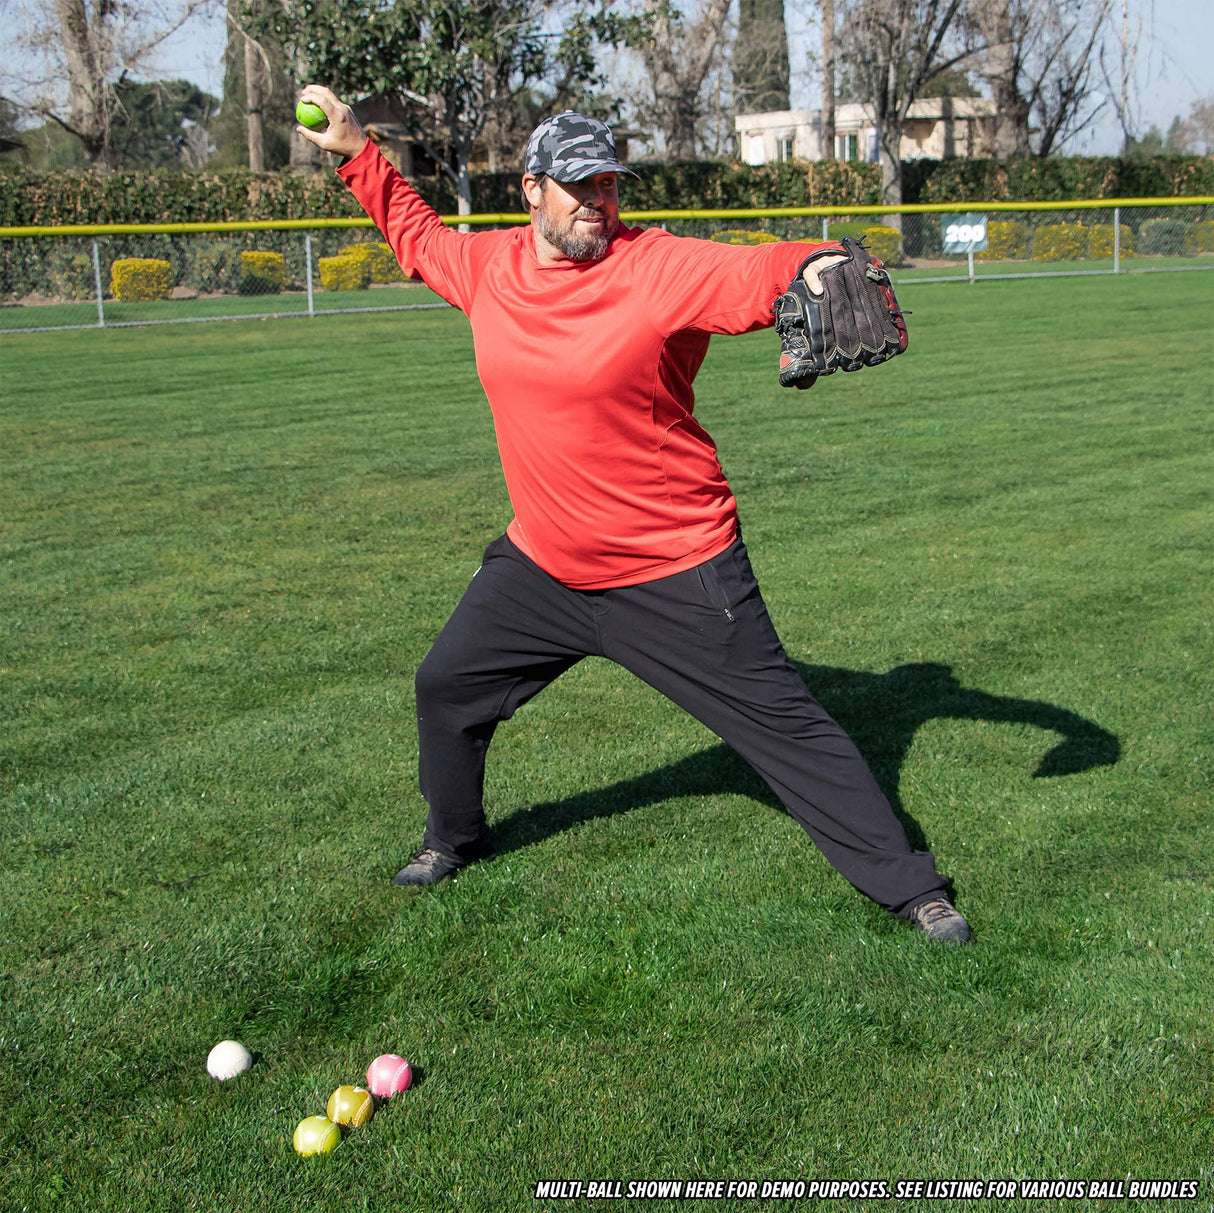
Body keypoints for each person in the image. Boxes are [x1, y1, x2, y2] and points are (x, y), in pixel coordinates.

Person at [296, 86, 971, 944]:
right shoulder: (487, 268)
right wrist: (355, 148)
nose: (598, 203)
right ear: (531, 191)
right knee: (445, 687)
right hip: (542, 564)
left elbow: (750, 269)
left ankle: (914, 889)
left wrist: (815, 262)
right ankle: (452, 838)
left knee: (788, 728)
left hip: (675, 566)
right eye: (578, 186)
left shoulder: (652, 267)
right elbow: (416, 233)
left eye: (610, 185)